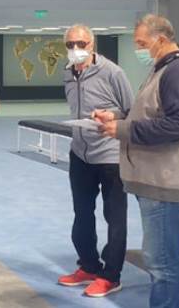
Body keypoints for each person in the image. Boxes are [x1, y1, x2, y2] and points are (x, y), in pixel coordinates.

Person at [94, 14, 179, 308]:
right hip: (154, 179)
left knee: (162, 265)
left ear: (161, 39)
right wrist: (116, 116)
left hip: (164, 181)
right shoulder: (163, 69)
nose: (138, 50)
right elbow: (150, 113)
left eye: (142, 43)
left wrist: (123, 130)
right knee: (170, 261)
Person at [57, 25, 133, 298]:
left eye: (81, 43)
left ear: (92, 44)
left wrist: (111, 116)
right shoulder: (68, 73)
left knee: (115, 218)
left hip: (110, 155)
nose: (75, 48)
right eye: (70, 44)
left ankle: (111, 276)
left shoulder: (112, 72)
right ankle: (89, 266)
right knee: (82, 214)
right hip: (80, 154)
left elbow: (129, 110)